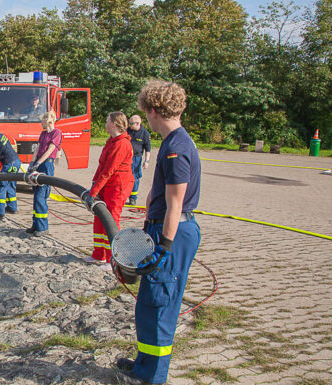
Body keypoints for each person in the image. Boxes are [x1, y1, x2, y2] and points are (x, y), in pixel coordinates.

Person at [115, 80, 201, 385]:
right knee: (149, 302)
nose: (144, 119)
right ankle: (143, 364)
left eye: (144, 113)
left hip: (173, 233)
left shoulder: (177, 147)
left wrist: (164, 246)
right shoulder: (172, 142)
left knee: (161, 304)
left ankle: (152, 377)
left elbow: (176, 203)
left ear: (153, 111)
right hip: (163, 228)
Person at [81, 112, 134, 270]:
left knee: (111, 220)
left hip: (117, 186)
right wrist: (93, 185)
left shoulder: (122, 144)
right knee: (99, 217)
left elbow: (109, 170)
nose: (105, 123)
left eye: (107, 120)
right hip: (105, 185)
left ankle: (113, 259)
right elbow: (101, 165)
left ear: (115, 124)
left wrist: (93, 192)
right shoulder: (111, 141)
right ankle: (99, 254)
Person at [25, 111, 62, 236]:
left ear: (48, 120)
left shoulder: (56, 133)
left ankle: (42, 227)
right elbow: (38, 148)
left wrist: (38, 162)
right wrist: (32, 162)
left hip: (47, 164)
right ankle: (36, 224)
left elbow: (51, 149)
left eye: (42, 121)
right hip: (39, 164)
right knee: (36, 194)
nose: (41, 123)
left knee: (41, 195)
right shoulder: (43, 133)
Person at [127, 115, 152, 205]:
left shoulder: (145, 134)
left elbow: (148, 149)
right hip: (126, 157)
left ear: (137, 123)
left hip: (136, 158)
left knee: (135, 178)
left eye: (131, 123)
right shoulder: (128, 131)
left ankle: (133, 198)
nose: (129, 125)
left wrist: (147, 161)